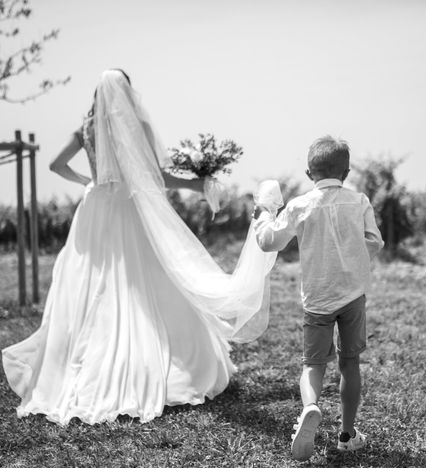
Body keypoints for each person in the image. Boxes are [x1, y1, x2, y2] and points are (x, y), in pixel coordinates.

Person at [2, 69, 277, 425]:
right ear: (128, 94)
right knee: (145, 278)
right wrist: (198, 184)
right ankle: (156, 362)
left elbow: (56, 165)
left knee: (93, 281)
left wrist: (88, 181)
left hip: (96, 209)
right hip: (128, 208)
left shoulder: (85, 129)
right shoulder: (138, 128)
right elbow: (155, 177)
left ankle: (78, 362)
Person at [254, 135, 384, 460]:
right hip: (352, 295)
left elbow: (269, 242)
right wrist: (355, 259)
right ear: (348, 171)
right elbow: (375, 242)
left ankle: (310, 407)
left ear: (309, 172)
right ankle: (347, 434)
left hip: (317, 298)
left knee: (312, 364)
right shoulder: (360, 202)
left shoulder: (299, 205)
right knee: (350, 362)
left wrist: (264, 215)